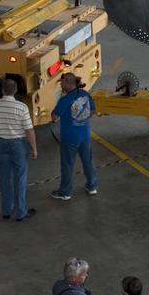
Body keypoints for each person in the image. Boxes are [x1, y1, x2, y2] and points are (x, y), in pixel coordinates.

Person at [0, 78, 38, 221]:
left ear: (2, 90)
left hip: (1, 144)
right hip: (18, 145)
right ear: (15, 91)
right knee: (19, 177)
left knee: (4, 177)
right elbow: (29, 131)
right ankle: (21, 212)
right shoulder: (22, 107)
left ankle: (6, 210)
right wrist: (34, 148)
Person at [50, 73, 97, 202]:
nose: (60, 84)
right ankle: (92, 186)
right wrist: (82, 120)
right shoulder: (85, 94)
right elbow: (93, 110)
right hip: (85, 135)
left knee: (67, 165)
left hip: (69, 138)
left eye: (62, 82)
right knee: (87, 161)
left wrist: (54, 109)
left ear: (67, 83)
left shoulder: (65, 100)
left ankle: (65, 192)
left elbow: (54, 117)